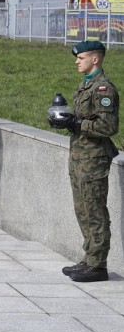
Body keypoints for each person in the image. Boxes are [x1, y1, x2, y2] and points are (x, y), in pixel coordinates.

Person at [51, 40, 119, 283]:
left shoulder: (104, 90)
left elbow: (109, 126)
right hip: (79, 156)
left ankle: (98, 265)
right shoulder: (85, 87)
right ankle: (89, 257)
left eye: (81, 58)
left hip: (94, 159)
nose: (76, 61)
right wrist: (65, 120)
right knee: (82, 209)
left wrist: (77, 124)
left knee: (95, 210)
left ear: (95, 59)